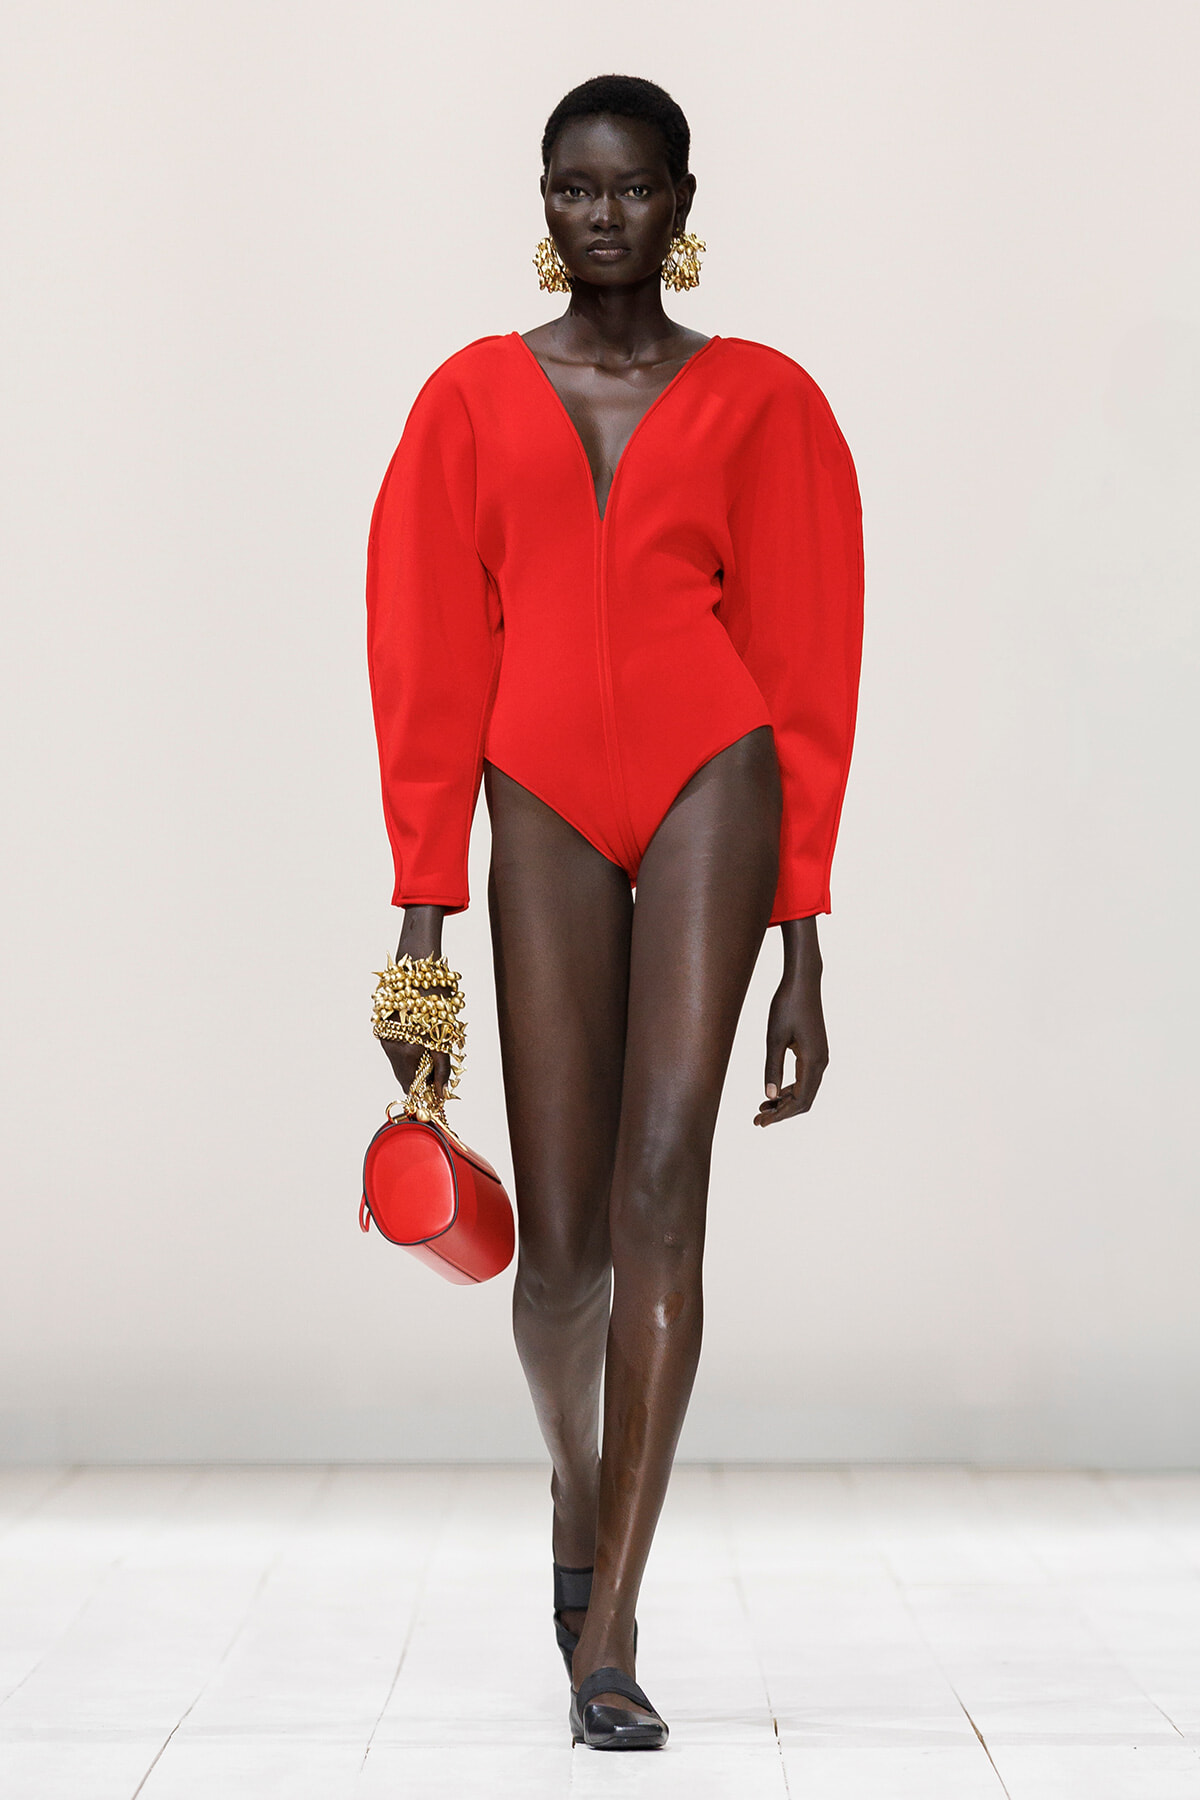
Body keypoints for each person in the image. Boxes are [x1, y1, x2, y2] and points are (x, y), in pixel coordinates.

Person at [365, 73, 863, 1751]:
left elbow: (804, 665)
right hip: (542, 806)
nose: (601, 216)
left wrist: (807, 934)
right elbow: (428, 660)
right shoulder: (470, 401)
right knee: (561, 1255)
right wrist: (423, 916)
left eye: (631, 188)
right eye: (573, 189)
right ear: (544, 200)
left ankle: (614, 1630)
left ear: (680, 200)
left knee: (665, 1191)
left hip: (717, 780)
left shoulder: (766, 404)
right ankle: (577, 1494)